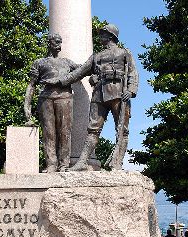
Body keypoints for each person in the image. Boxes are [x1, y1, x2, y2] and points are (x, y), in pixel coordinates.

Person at [46, 24, 138, 171]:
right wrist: (59, 81)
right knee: (93, 129)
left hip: (119, 93)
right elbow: (79, 72)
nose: (100, 36)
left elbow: (133, 73)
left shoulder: (124, 53)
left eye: (103, 33)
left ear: (111, 36)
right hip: (99, 94)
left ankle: (117, 163)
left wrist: (131, 90)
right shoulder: (96, 56)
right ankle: (82, 161)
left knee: (122, 129)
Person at [24, 33, 79, 172]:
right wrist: (27, 105)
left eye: (60, 42)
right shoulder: (39, 63)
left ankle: (64, 164)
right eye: (56, 42)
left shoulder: (67, 62)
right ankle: (51, 164)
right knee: (48, 133)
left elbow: (83, 70)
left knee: (65, 131)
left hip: (65, 97)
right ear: (49, 43)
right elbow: (31, 85)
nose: (59, 45)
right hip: (46, 98)